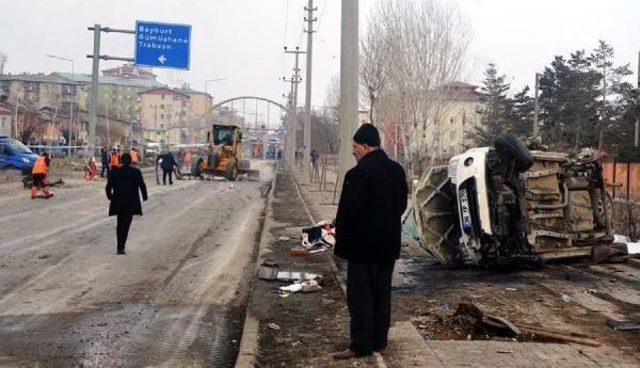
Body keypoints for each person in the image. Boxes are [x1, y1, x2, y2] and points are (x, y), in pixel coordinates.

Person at [332, 124, 408, 360]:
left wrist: (341, 243)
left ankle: (360, 345)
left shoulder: (357, 175)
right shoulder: (396, 171)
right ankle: (379, 341)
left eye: (355, 146)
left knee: (361, 297)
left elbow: (348, 212)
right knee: (382, 294)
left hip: (362, 249)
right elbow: (402, 205)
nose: (353, 151)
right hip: (387, 247)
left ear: (365, 146)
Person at [105, 153, 148, 255]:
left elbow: (108, 187)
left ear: (121, 161)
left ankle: (119, 245)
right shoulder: (136, 172)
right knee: (126, 224)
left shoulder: (114, 172)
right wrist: (144, 197)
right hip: (130, 202)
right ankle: (121, 246)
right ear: (130, 161)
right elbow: (142, 185)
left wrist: (110, 197)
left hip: (118, 201)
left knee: (119, 223)